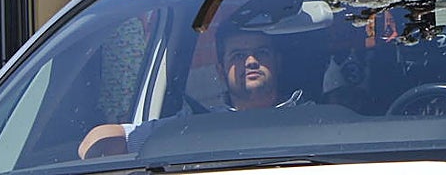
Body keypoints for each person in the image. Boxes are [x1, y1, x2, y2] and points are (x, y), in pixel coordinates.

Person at [79, 27, 304, 158]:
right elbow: (102, 139)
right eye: (238, 56)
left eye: (261, 52)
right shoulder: (196, 125)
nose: (251, 61)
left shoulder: (312, 118)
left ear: (278, 62)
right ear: (221, 71)